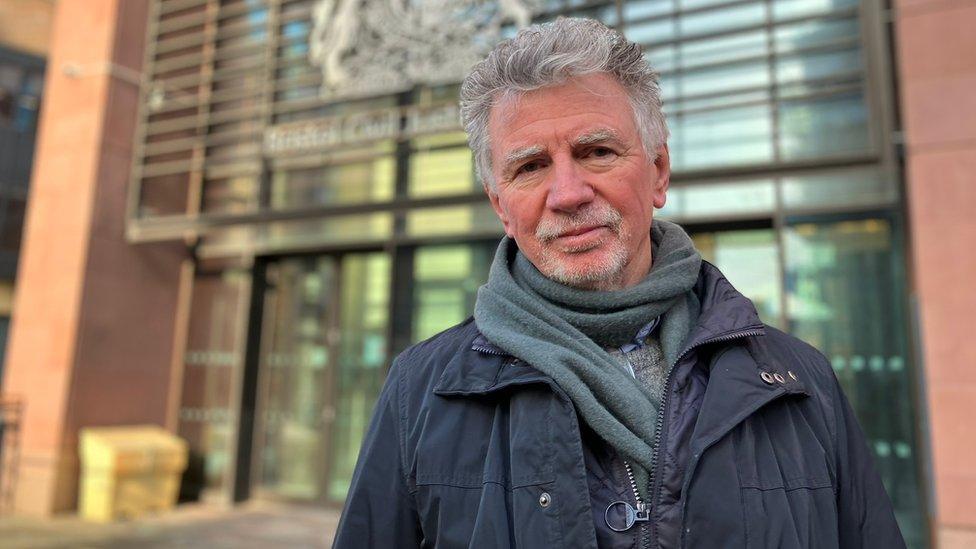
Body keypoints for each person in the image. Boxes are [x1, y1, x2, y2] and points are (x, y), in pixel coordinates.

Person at [333, 17, 905, 548]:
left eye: (598, 152)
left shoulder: (799, 383)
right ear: (500, 205)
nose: (568, 194)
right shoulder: (421, 392)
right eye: (530, 167)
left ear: (658, 171)